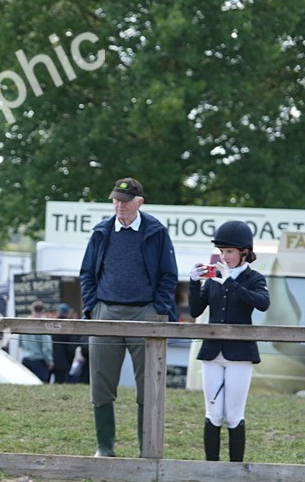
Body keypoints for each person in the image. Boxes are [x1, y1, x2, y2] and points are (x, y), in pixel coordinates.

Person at [79, 176, 178, 457]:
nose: (119, 205)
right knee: (100, 382)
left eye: (125, 201)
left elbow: (169, 275)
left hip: (145, 312)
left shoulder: (156, 232)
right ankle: (104, 448)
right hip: (105, 312)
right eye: (115, 200)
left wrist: (157, 310)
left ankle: (146, 451)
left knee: (149, 384)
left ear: (139, 203)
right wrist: (92, 308)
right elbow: (87, 273)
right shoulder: (101, 231)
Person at [188, 220, 269, 463]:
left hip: (240, 354)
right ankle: (211, 467)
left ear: (244, 252)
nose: (224, 256)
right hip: (212, 352)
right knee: (213, 413)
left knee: (234, 414)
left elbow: (262, 302)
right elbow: (195, 310)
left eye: (229, 252)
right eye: (222, 252)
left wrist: (231, 283)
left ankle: (236, 469)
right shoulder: (214, 278)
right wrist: (193, 283)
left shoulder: (254, 278)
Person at [17, 299, 54, 382]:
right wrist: (49, 361)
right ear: (43, 311)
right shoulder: (43, 325)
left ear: (31, 309)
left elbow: (19, 343)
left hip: (26, 359)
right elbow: (46, 347)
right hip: (39, 361)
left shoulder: (24, 323)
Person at [50, 303, 82, 384]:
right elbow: (71, 347)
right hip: (65, 363)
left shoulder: (51, 326)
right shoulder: (68, 326)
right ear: (66, 313)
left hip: (53, 362)